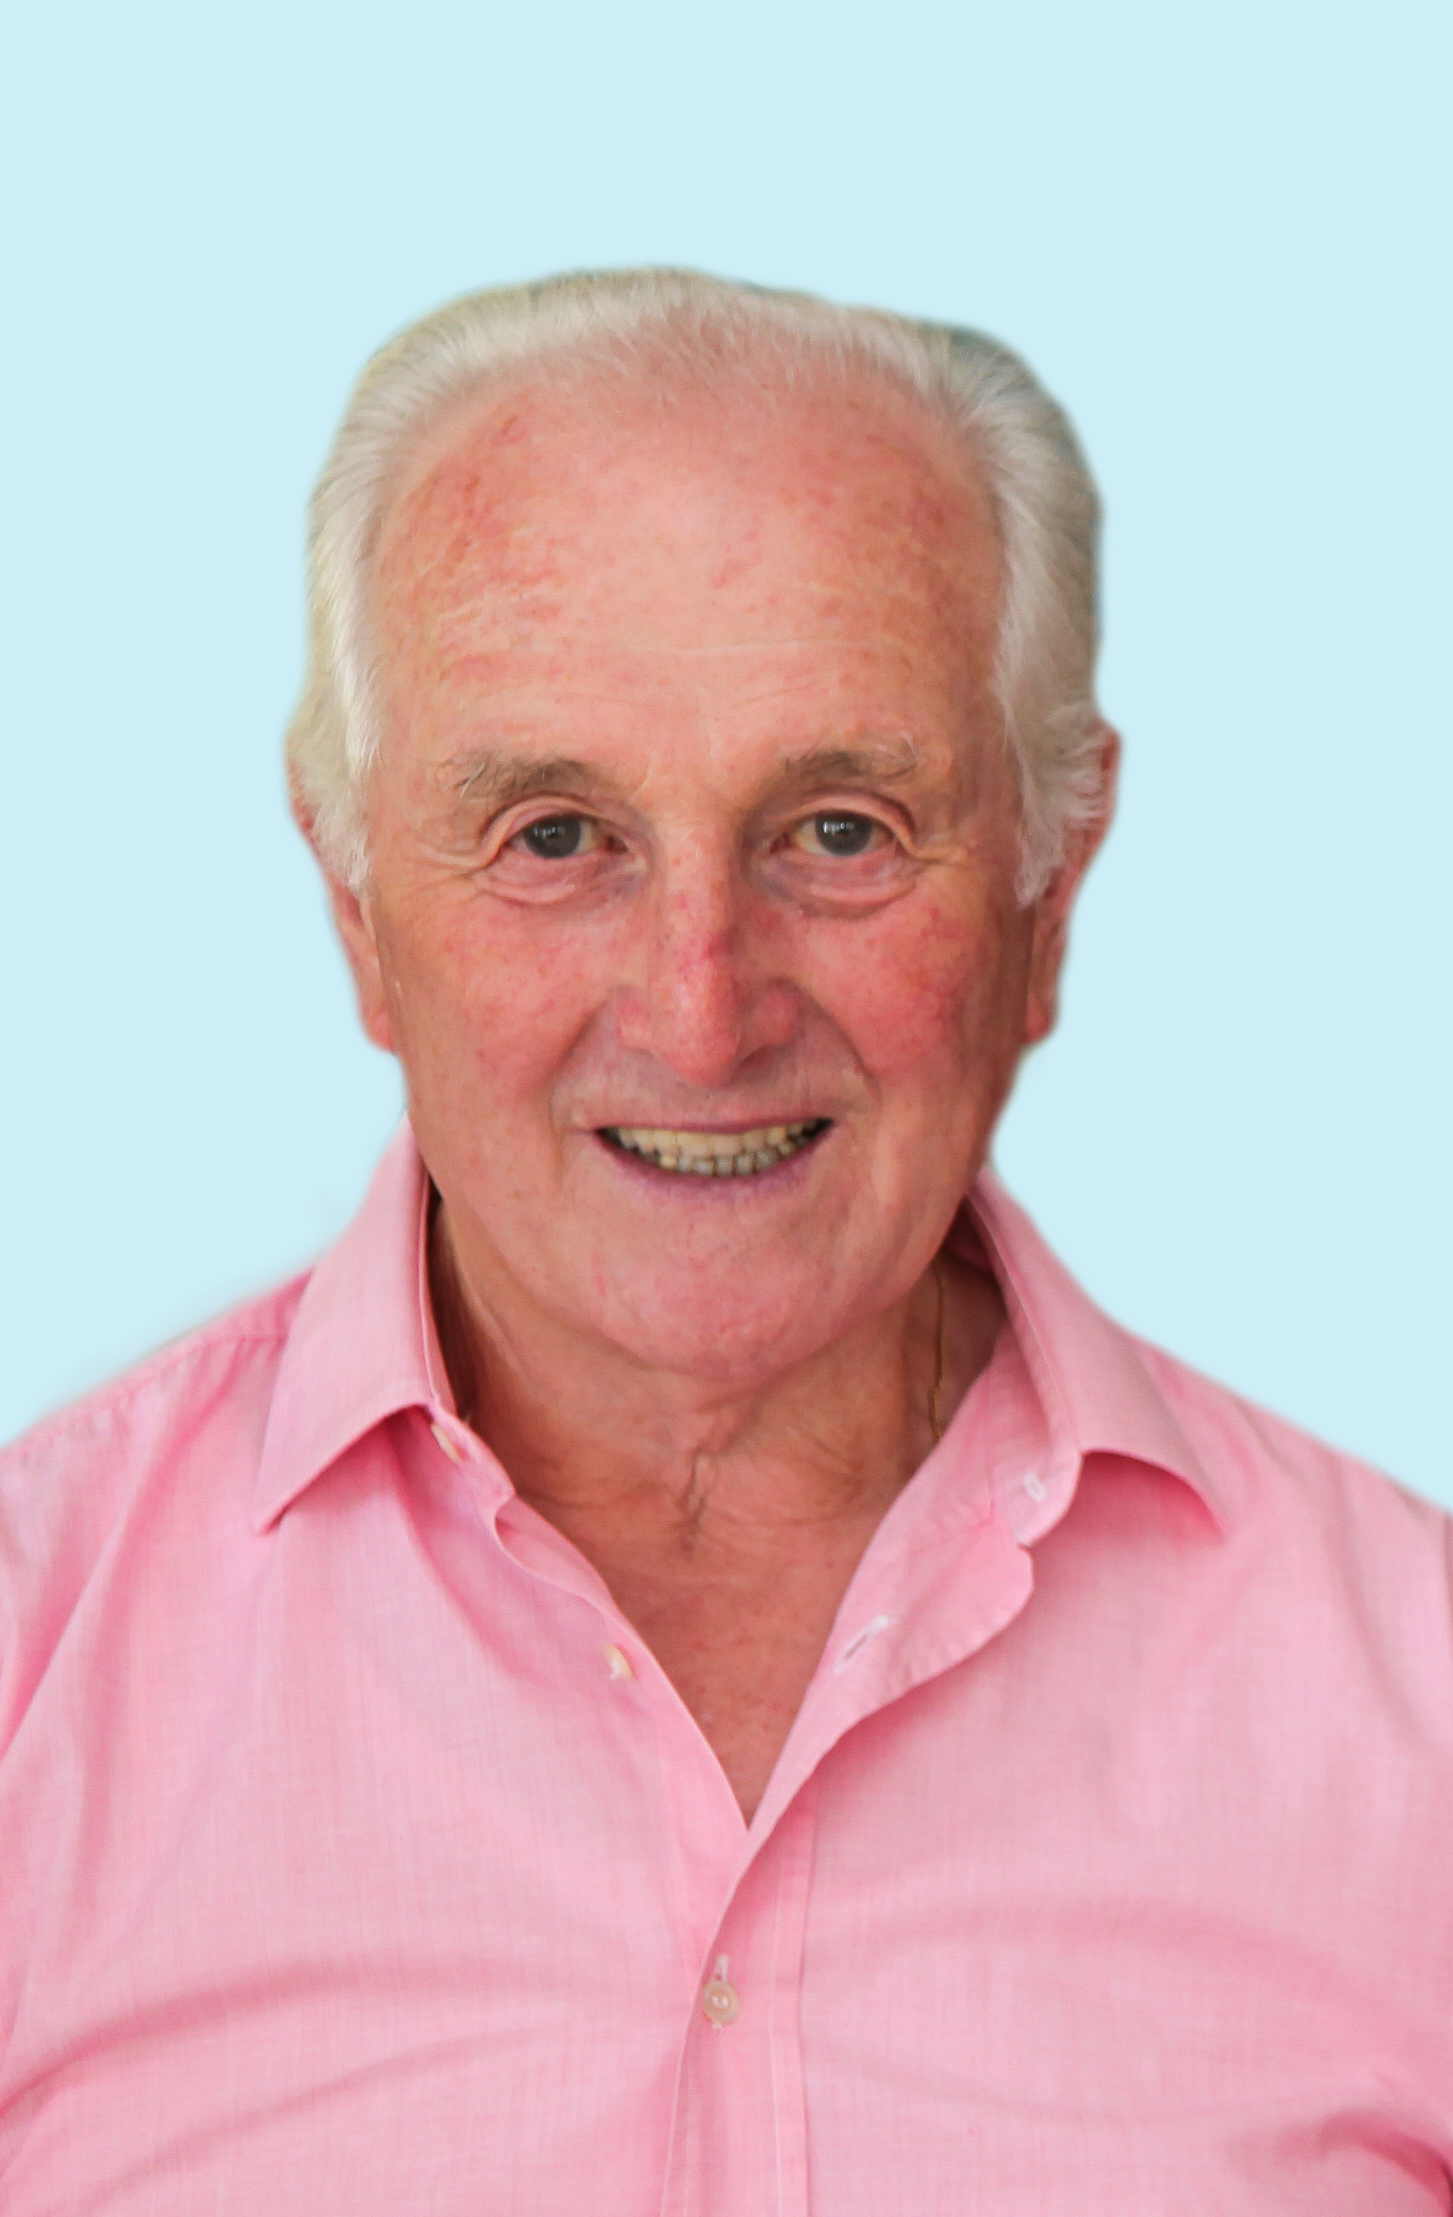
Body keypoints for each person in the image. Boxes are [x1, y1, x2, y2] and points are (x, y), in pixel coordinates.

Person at [2, 268, 1449, 2215]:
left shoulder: (1418, 1707)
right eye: (553, 834)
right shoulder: (34, 1660)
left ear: (1049, 884)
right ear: (354, 903)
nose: (700, 1013)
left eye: (839, 830)